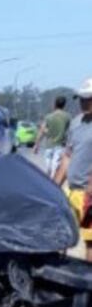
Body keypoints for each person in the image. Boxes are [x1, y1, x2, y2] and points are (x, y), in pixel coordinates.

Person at [54, 78, 92, 261]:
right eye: (81, 99)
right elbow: (67, 157)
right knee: (61, 236)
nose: (84, 103)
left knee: (90, 242)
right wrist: (54, 186)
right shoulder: (76, 123)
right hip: (73, 191)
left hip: (89, 194)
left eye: (88, 99)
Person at [34, 96, 71, 177]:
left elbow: (41, 131)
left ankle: (48, 181)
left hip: (49, 146)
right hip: (60, 146)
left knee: (48, 169)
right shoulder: (68, 117)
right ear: (64, 105)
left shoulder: (48, 116)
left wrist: (36, 145)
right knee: (55, 169)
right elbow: (70, 132)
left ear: (55, 104)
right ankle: (52, 182)